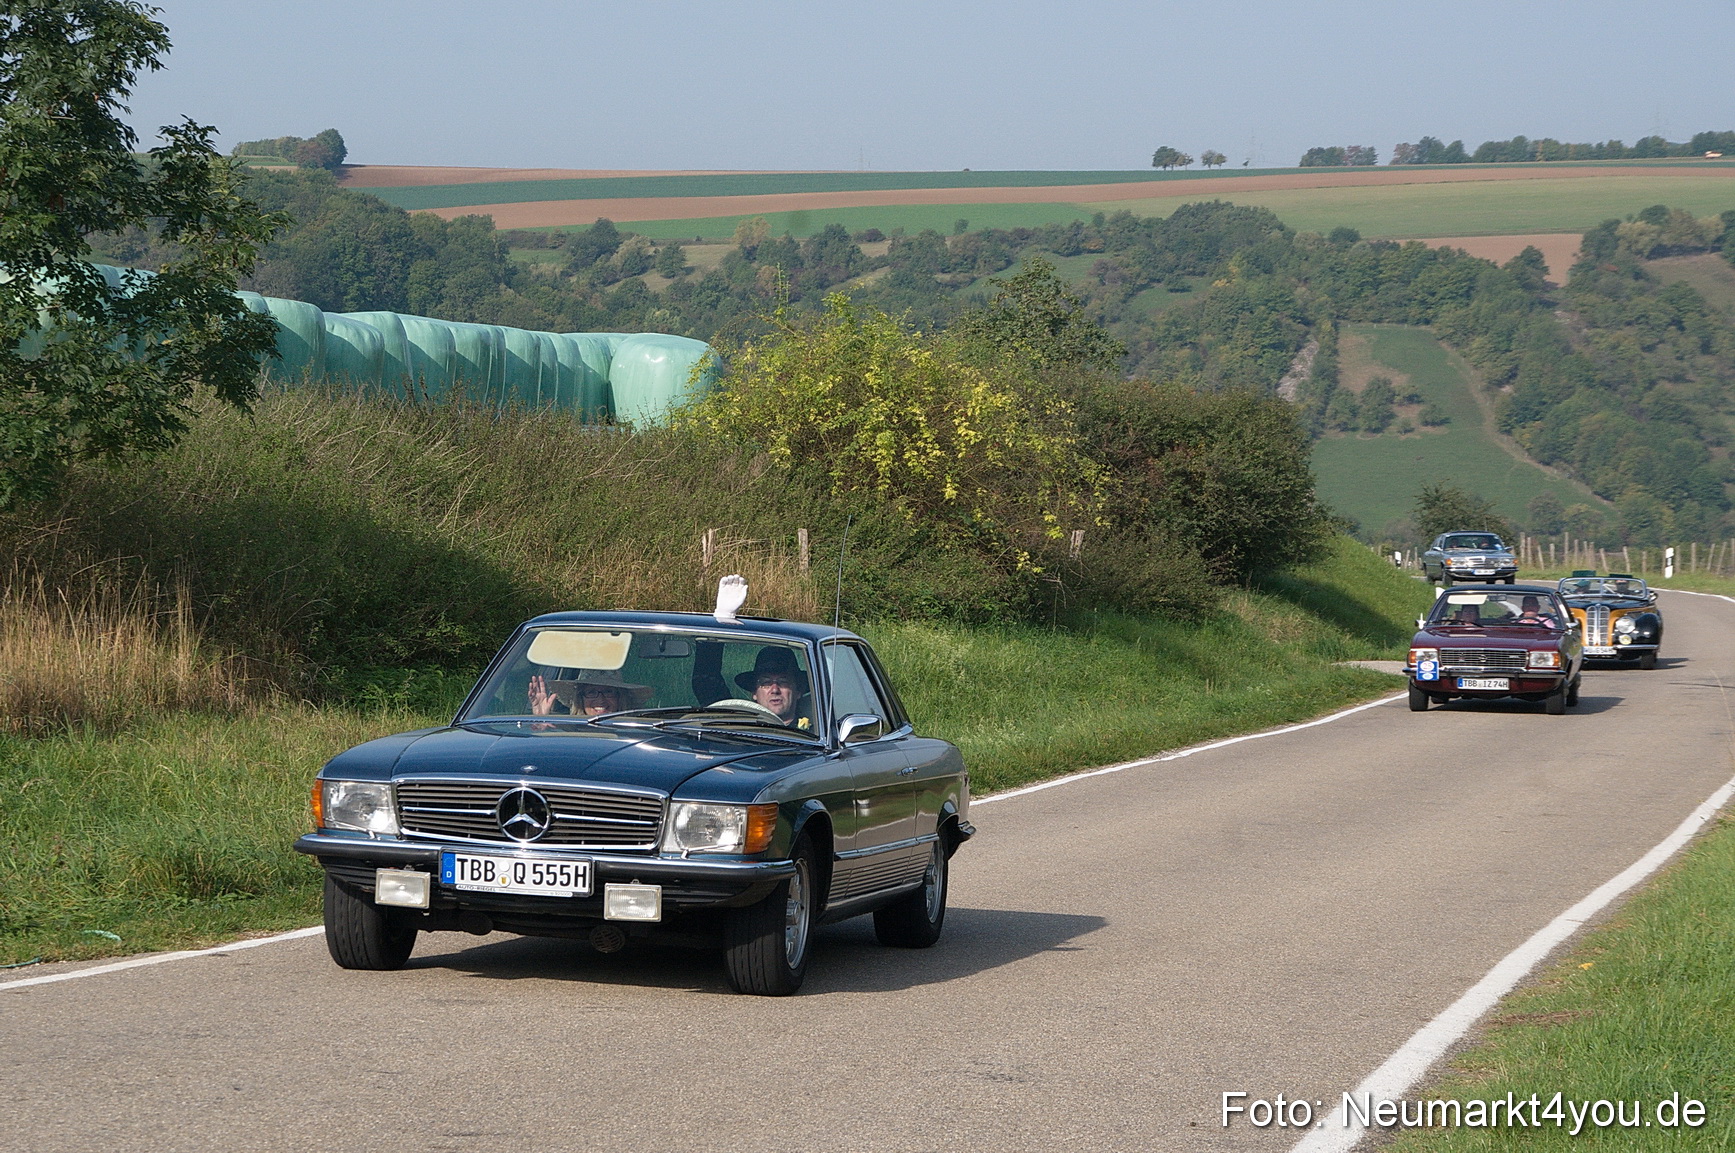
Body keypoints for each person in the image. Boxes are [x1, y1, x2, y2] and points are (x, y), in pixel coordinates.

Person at [527, 669, 652, 718]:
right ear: (580, 699)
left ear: (620, 697)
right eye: (591, 692)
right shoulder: (565, 734)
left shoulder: (637, 732)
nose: (601, 700)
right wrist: (541, 719)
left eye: (608, 692)